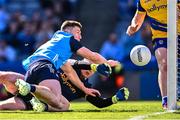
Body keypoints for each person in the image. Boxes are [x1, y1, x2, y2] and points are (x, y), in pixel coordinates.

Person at [15, 20, 113, 111]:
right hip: (44, 65)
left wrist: (84, 89)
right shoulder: (68, 39)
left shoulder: (57, 43)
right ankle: (29, 87)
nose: (80, 36)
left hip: (32, 67)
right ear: (67, 31)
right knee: (56, 100)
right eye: (78, 32)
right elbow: (92, 56)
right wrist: (108, 64)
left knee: (64, 105)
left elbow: (69, 71)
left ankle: (30, 93)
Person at [0, 59, 129, 111]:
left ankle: (41, 106)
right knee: (6, 76)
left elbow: (99, 103)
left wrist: (115, 98)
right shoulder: (71, 66)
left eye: (92, 70)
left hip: (35, 102)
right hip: (30, 83)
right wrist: (100, 63)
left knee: (65, 105)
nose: (89, 71)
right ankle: (28, 89)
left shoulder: (85, 87)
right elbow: (75, 63)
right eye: (88, 65)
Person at [126, 0, 167, 109]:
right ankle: (166, 100)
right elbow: (138, 17)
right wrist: (133, 26)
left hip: (178, 31)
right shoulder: (143, 1)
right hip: (161, 35)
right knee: (164, 64)